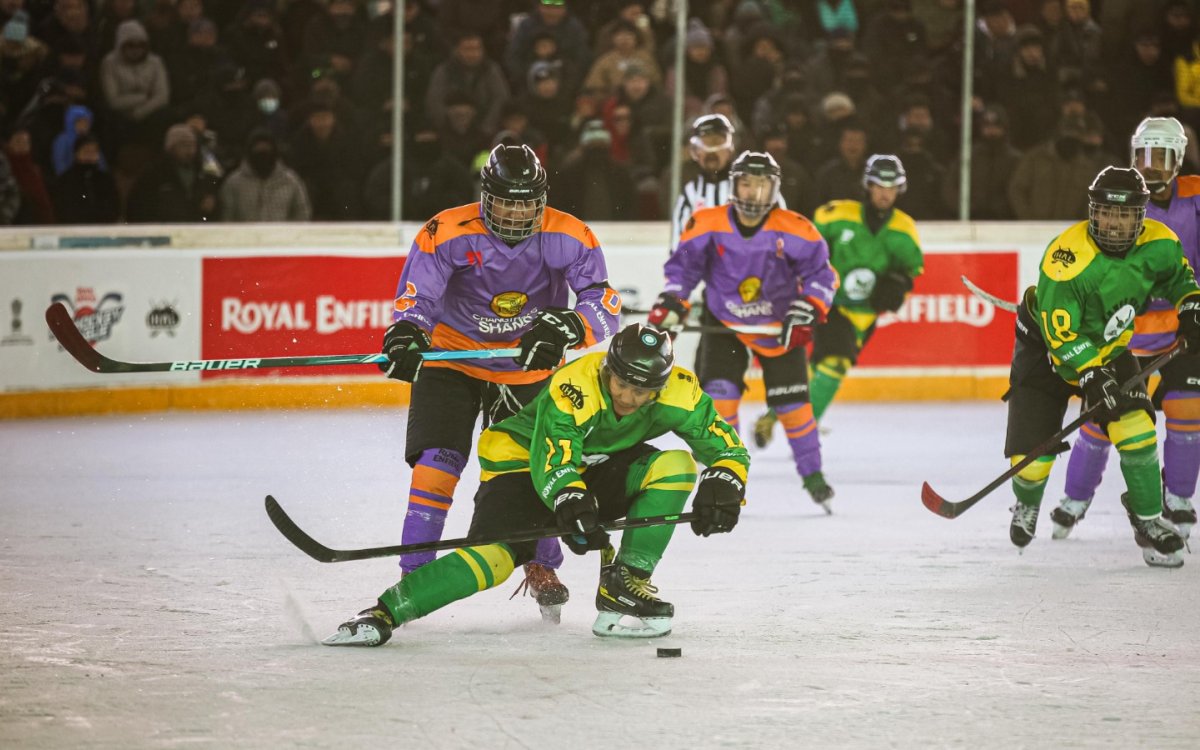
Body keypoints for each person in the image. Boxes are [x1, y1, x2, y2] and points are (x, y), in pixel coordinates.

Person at [324, 323, 749, 646]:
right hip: (521, 464)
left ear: (661, 387)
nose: (628, 398)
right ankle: (384, 613)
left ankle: (624, 584)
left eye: (643, 392)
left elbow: (727, 447)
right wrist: (572, 502)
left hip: (592, 464)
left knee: (676, 465)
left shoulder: (680, 393)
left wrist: (727, 482)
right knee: (493, 560)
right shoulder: (575, 386)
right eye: (622, 384)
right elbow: (553, 461)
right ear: (608, 369)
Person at [378, 143, 621, 621]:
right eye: (505, 202)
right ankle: (415, 573)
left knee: (527, 474)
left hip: (527, 365)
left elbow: (603, 302)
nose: (514, 213)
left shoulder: (570, 235)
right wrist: (407, 331)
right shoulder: (446, 230)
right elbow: (418, 296)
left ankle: (540, 560)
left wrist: (569, 327)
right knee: (435, 466)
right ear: (485, 196)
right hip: (452, 359)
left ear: (542, 200)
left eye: (526, 203)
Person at [1005, 166, 1196, 569]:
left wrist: (1190, 305)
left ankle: (1148, 520)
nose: (1114, 223)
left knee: (1137, 430)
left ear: (1141, 216)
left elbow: (1179, 279)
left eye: (1124, 215)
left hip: (1108, 349)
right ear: (1093, 211)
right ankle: (1027, 502)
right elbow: (1060, 336)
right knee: (1033, 463)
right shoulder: (1067, 259)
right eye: (1107, 212)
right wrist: (1092, 373)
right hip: (1045, 352)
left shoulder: (1160, 244)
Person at [647, 151, 838, 511]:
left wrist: (810, 307)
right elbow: (683, 270)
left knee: (794, 408)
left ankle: (813, 476)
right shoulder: (707, 222)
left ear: (775, 189)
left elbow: (822, 275)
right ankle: (726, 476)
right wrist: (673, 301)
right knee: (720, 403)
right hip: (725, 325)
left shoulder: (796, 228)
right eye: (746, 184)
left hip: (778, 328)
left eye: (761, 185)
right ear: (733, 186)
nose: (753, 193)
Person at [1051, 118, 1200, 544]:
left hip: (1181, 329)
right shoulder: (1123, 203)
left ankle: (1178, 498)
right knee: (1103, 418)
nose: (1150, 166)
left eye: (1160, 157)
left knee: (1189, 409)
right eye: (1143, 156)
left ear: (1178, 160)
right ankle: (1075, 498)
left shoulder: (1196, 195)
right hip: (1124, 336)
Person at [754, 155, 924, 450]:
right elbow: (807, 246)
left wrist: (898, 283)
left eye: (891, 187)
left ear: (899, 189)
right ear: (868, 185)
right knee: (836, 363)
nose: (885, 193)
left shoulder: (904, 230)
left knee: (818, 368)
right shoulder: (835, 215)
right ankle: (805, 433)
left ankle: (771, 417)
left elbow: (911, 270)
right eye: (879, 185)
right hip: (827, 302)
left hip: (864, 315)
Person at [668, 113, 736, 251]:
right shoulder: (690, 195)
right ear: (695, 151)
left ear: (729, 149)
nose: (711, 151)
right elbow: (678, 251)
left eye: (717, 142)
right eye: (705, 143)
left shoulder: (754, 188)